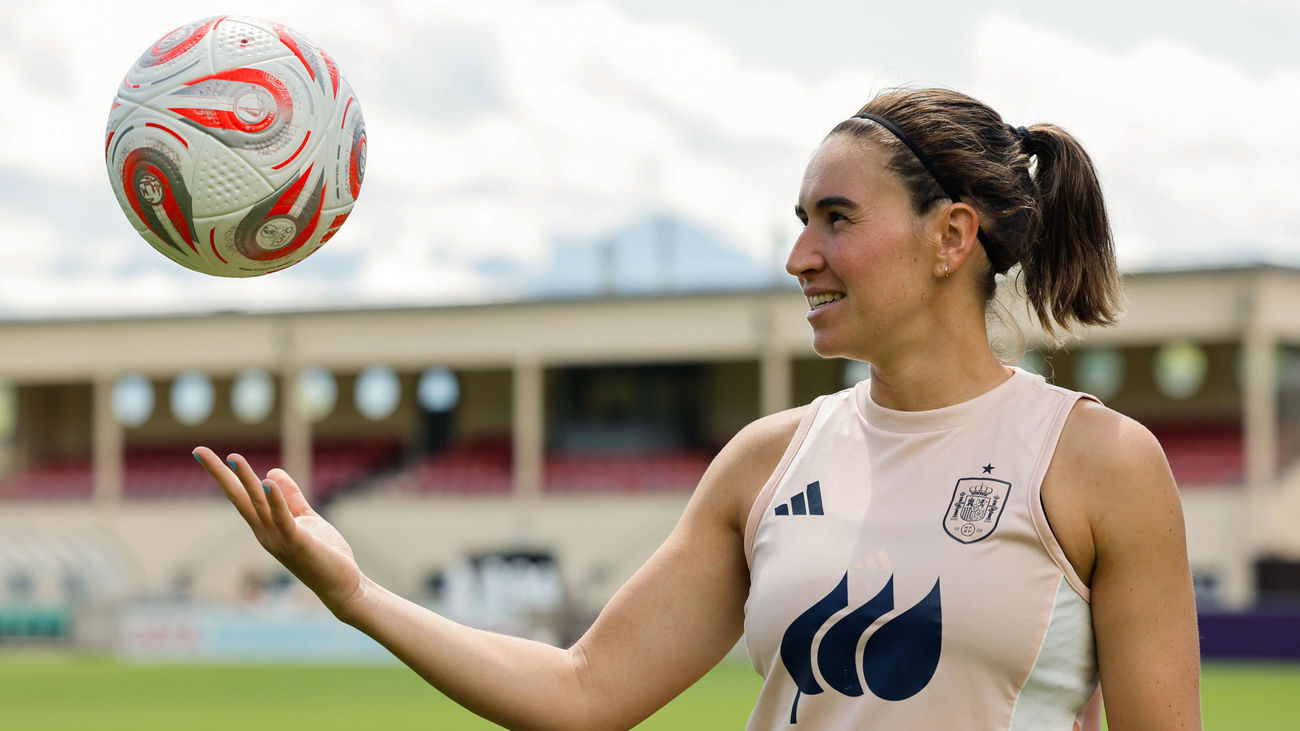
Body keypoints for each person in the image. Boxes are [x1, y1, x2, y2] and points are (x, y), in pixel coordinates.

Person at [194, 87, 1202, 730]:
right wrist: (355, 593)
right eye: (800, 220)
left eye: (835, 219)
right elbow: (584, 691)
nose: (799, 254)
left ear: (951, 236)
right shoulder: (766, 462)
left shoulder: (1097, 462)